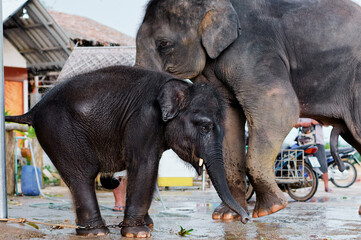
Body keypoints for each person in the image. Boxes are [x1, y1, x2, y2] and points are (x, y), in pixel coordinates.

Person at [295, 118, 332, 192]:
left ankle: (326, 186)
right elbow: (295, 125)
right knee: (307, 164)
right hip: (305, 143)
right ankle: (312, 185)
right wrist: (302, 124)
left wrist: (318, 121)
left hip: (318, 142)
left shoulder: (317, 113)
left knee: (323, 163)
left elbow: (327, 124)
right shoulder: (302, 114)